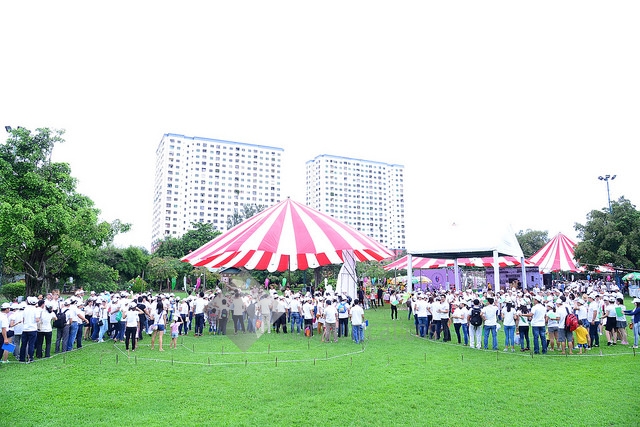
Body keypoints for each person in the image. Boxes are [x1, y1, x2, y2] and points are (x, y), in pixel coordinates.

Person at [19, 296, 41, 363]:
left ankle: (22, 358)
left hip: (25, 328)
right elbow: (37, 319)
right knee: (31, 344)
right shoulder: (36, 310)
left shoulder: (25, 309)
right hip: (32, 329)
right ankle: (30, 357)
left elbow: (23, 319)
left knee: (23, 344)